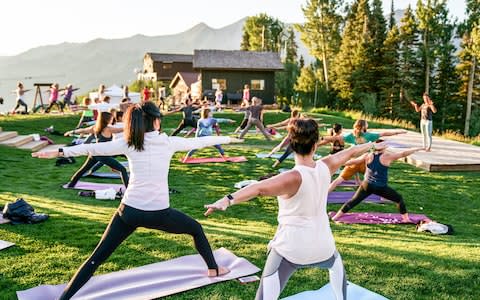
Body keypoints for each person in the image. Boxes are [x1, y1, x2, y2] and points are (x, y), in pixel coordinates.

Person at [32, 102, 243, 299]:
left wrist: (60, 151)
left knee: (97, 257)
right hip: (159, 214)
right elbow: (201, 141)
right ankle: (213, 269)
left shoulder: (129, 143)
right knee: (195, 228)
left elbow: (93, 149)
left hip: (129, 212)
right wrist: (229, 139)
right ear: (156, 121)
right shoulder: (168, 142)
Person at [205, 118, 375, 300]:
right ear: (315, 146)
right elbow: (352, 151)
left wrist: (227, 199)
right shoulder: (327, 165)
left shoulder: (292, 177)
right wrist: (374, 145)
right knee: (336, 264)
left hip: (292, 249)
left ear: (292, 146)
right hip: (323, 246)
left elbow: (258, 189)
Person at [331, 140, 424, 223]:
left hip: (367, 185)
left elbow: (352, 162)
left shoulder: (368, 155)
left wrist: (338, 162)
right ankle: (406, 219)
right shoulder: (386, 157)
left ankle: (336, 217)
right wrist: (418, 148)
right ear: (383, 148)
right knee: (399, 199)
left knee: (353, 201)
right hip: (380, 187)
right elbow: (403, 154)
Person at [328, 119, 407, 192]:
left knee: (338, 180)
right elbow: (384, 133)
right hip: (365, 163)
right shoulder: (368, 135)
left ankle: (325, 193)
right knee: (378, 178)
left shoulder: (351, 136)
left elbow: (337, 137)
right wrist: (399, 132)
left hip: (353, 163)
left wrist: (323, 139)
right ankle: (383, 196)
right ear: (364, 127)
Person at [63, 111, 128, 187]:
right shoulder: (108, 129)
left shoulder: (95, 127)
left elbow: (83, 130)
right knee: (122, 170)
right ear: (107, 119)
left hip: (94, 152)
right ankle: (128, 189)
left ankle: (71, 185)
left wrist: (71, 132)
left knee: (83, 170)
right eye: (111, 118)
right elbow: (122, 129)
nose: (112, 119)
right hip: (102, 154)